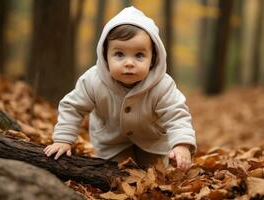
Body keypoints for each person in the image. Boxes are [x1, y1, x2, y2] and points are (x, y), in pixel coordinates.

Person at [44, 6, 196, 171]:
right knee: (117, 174)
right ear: (105, 56)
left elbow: (176, 115)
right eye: (119, 54)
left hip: (153, 142)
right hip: (111, 142)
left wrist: (182, 144)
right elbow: (72, 107)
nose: (129, 63)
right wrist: (63, 139)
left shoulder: (162, 85)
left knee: (154, 175)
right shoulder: (93, 80)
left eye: (139, 55)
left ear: (153, 59)